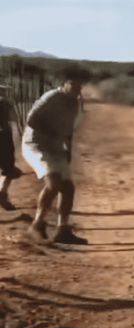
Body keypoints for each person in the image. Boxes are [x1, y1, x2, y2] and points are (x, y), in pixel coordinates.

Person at [22, 77, 87, 244]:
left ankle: (62, 230)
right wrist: (50, 135)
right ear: (64, 84)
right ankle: (37, 225)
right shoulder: (52, 98)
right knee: (53, 183)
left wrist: (68, 151)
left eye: (79, 86)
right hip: (36, 144)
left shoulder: (74, 103)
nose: (76, 89)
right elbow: (31, 120)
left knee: (68, 187)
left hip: (57, 148)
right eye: (73, 84)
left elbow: (69, 131)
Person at [0, 85, 23, 211]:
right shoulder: (5, 102)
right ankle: (2, 193)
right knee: (8, 168)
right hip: (3, 136)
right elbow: (14, 118)